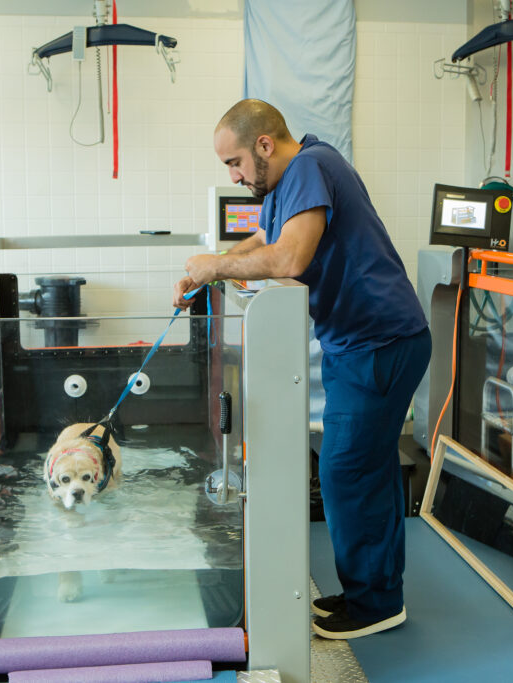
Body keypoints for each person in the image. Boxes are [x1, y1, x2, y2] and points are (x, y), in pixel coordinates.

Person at [173, 99, 431, 639]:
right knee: (369, 470)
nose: (235, 175)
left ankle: (374, 604)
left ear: (265, 145)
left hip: (379, 343)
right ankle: (375, 593)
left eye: (236, 162)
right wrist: (211, 270)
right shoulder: (290, 181)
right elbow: (268, 239)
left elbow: (289, 259)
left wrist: (215, 265)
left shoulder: (311, 167)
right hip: (358, 344)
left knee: (344, 471)